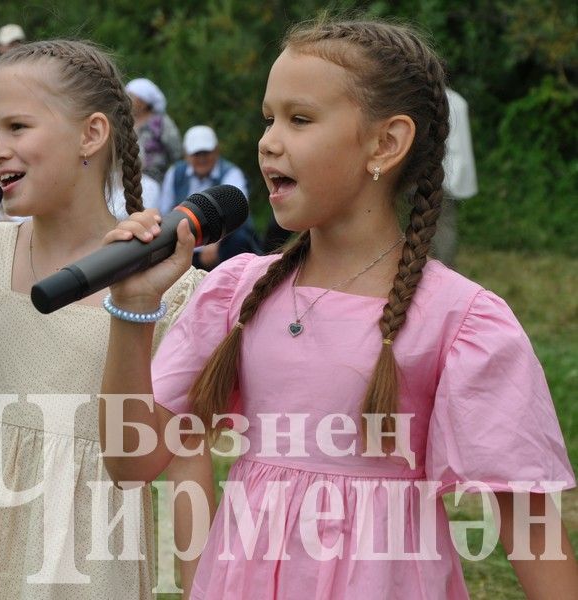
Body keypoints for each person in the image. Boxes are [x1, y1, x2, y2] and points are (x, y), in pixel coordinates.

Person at [99, 19, 578, 599]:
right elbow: (132, 462)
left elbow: (528, 524)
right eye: (268, 118)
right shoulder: (238, 291)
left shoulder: (462, 319)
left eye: (299, 119)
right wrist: (132, 309)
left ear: (386, 143)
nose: (269, 141)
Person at [0, 40, 204, 599]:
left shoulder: (175, 290)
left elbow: (175, 465)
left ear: (91, 134)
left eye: (18, 126)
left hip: (91, 563)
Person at [159, 124, 259, 269]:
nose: (202, 158)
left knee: (239, 240)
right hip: (184, 245)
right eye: (196, 154)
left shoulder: (231, 173)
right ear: (186, 155)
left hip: (221, 247)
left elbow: (236, 212)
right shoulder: (175, 173)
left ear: (216, 151)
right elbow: (165, 210)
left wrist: (215, 243)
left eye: (206, 153)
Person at [433, 87, 478, 267]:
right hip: (444, 175)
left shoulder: (442, 100)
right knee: (442, 225)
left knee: (442, 226)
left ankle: (443, 267)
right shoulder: (457, 100)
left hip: (439, 175)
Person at [125, 77, 183, 183]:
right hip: (126, 179)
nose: (127, 99)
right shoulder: (124, 121)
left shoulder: (161, 122)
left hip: (154, 179)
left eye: (132, 96)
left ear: (144, 102)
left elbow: (177, 152)